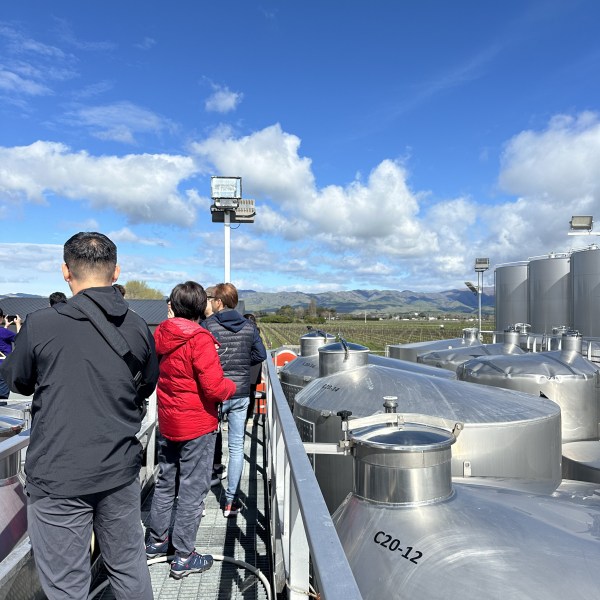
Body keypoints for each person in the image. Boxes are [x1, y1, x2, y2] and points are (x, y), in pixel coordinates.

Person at [0, 232, 159, 600]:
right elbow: (147, 385)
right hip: (119, 471)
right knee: (129, 570)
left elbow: (19, 381)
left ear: (65, 272)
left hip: (58, 475)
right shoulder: (138, 327)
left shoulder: (41, 324)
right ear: (116, 271)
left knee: (66, 585)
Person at [145, 281, 236, 579]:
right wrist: (231, 387)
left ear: (173, 305)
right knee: (192, 489)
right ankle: (184, 555)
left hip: (169, 422)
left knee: (166, 480)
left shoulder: (161, 333)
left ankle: (157, 540)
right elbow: (213, 387)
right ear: (201, 307)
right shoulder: (200, 339)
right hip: (197, 425)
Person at [203, 283, 267, 517]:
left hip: (216, 391)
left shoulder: (208, 325)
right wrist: (240, 365)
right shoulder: (249, 326)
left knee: (207, 444)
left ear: (219, 302)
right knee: (237, 446)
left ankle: (197, 502)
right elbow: (260, 354)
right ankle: (231, 501)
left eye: (212, 299)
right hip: (240, 392)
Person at [243, 313, 263, 421]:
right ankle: (249, 417)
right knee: (251, 393)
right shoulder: (257, 332)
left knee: (242, 393)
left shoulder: (244, 331)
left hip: (246, 365)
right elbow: (260, 353)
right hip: (255, 367)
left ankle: (244, 417)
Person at [0, 308, 22, 399]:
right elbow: (21, 340)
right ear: (1, 318)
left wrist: (6, 327)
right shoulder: (4, 332)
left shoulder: (4, 332)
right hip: (3, 367)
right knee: (2, 398)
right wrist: (18, 324)